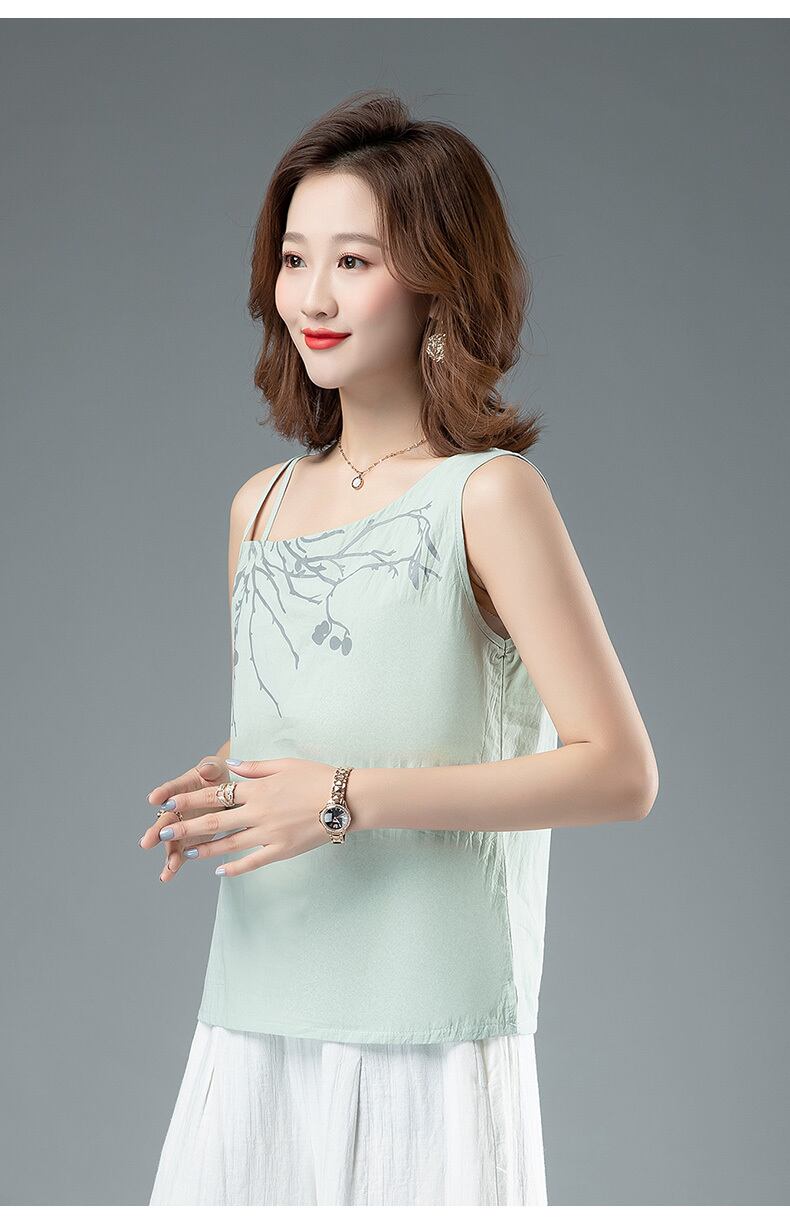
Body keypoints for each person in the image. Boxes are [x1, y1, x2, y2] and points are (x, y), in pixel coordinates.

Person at [140, 89, 659, 1207]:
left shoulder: (490, 496)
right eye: (294, 259)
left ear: (437, 279)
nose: (312, 297)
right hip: (254, 1001)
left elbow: (620, 771)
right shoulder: (257, 505)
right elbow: (326, 707)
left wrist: (339, 798)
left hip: (428, 1020)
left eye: (354, 261)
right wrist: (233, 777)